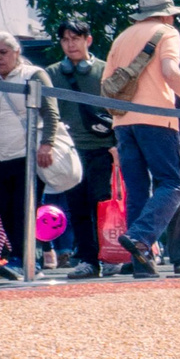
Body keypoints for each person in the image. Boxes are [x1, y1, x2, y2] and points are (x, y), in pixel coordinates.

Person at [97, 0, 180, 277]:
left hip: (123, 122)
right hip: (158, 117)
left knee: (138, 189)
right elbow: (170, 71)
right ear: (168, 14)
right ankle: (141, 237)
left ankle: (140, 262)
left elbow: (107, 82)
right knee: (174, 182)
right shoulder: (167, 33)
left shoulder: (122, 37)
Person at [0, 31, 61, 279]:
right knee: (7, 210)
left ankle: (29, 262)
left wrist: (47, 144)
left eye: (4, 52)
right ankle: (18, 260)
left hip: (28, 154)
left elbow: (51, 113)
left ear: (16, 53)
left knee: (25, 210)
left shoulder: (33, 75)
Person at [45, 20, 117, 276]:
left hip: (103, 150)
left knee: (103, 204)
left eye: (75, 38)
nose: (70, 44)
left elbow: (118, 109)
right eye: (65, 39)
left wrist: (117, 146)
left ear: (88, 40)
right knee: (77, 207)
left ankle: (109, 255)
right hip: (68, 153)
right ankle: (87, 259)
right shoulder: (51, 73)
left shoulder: (105, 71)